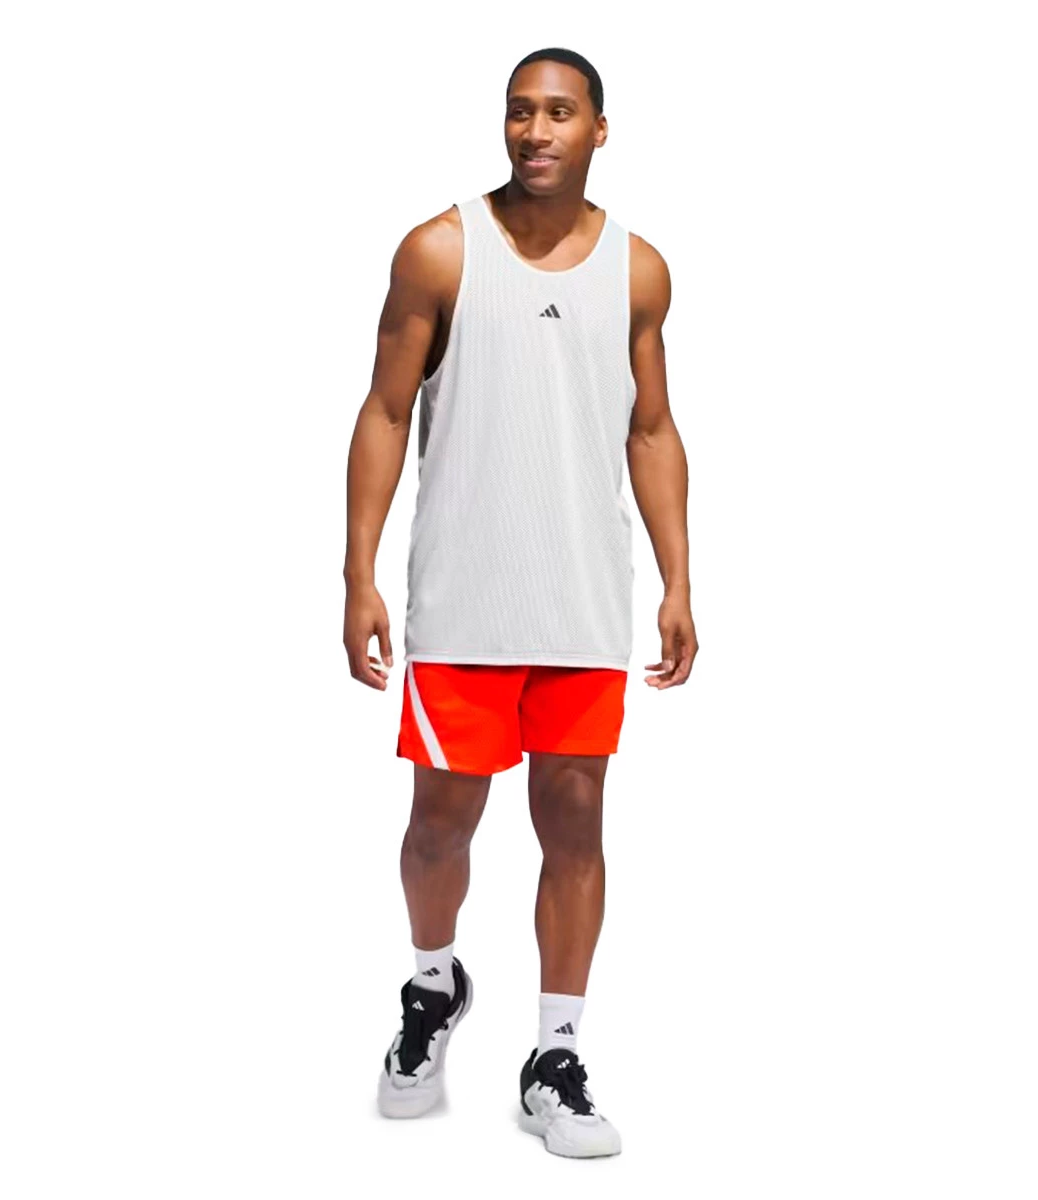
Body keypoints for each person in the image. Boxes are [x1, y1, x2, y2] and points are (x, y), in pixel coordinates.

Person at [343, 46, 697, 1158]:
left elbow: (652, 429)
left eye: (559, 112)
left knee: (577, 824)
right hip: (464, 602)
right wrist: (357, 573)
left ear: (600, 129)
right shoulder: (440, 250)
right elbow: (384, 411)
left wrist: (680, 578)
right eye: (519, 112)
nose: (535, 131)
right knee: (438, 828)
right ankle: (433, 985)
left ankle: (556, 1053)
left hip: (582, 604)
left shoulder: (639, 270)